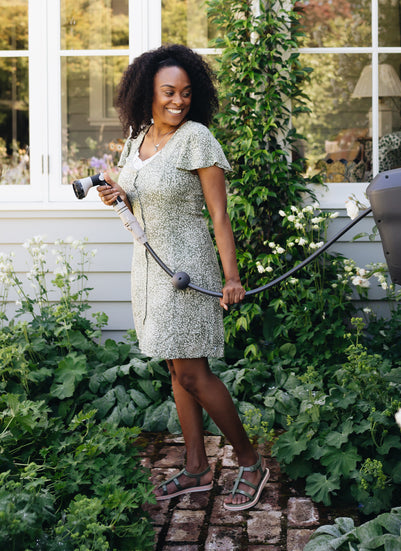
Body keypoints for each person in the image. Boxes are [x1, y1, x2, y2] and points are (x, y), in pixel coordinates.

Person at [97, 44, 269, 511]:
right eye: (168, 92)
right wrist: (117, 196)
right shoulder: (136, 141)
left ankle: (250, 462)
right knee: (176, 367)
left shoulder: (197, 138)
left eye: (186, 93)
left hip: (187, 272)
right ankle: (196, 467)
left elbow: (220, 217)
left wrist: (232, 278)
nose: (178, 101)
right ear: (146, 94)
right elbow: (139, 201)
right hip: (150, 273)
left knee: (194, 372)